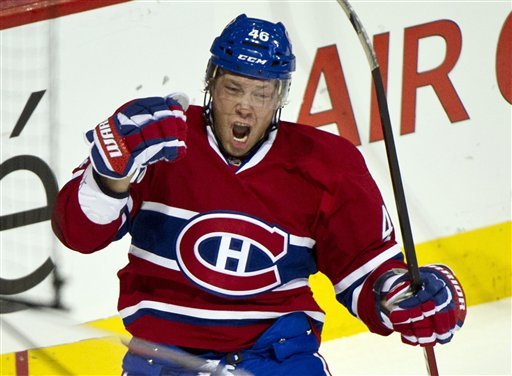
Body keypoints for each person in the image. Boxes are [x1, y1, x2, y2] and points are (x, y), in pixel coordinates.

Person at [52, 14, 466, 376]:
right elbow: (79, 234)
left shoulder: (326, 165)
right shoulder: (160, 137)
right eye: (234, 88)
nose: (246, 107)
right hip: (165, 362)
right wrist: (110, 177)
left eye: (262, 93)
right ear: (211, 82)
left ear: (282, 96)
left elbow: (366, 272)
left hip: (278, 359)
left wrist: (402, 293)